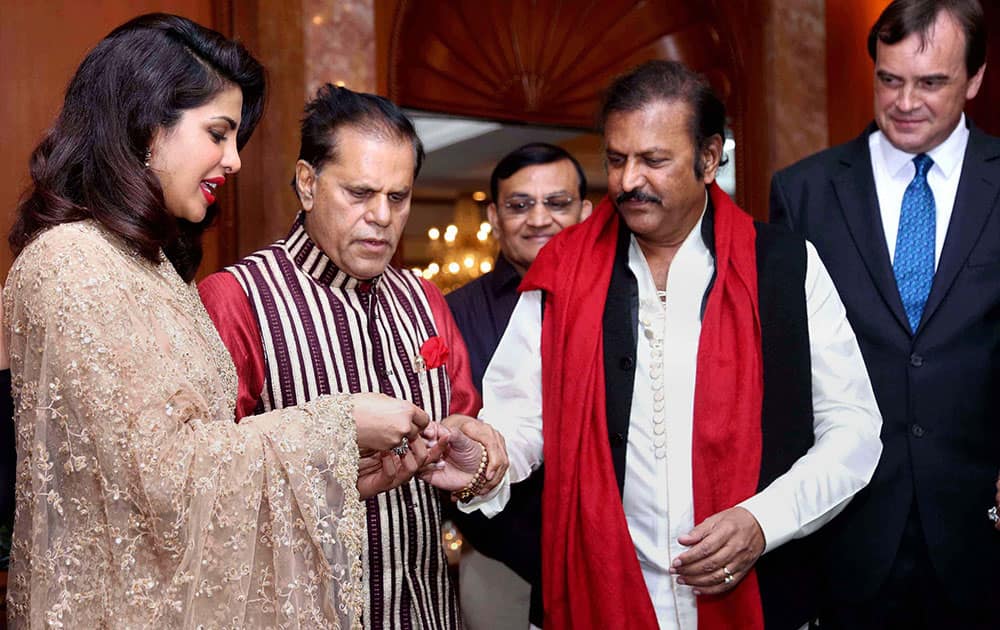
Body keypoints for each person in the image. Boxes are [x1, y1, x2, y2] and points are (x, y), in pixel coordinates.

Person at [3, 14, 449, 628]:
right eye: (218, 133)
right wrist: (334, 427)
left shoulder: (151, 267)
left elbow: (189, 479)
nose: (235, 160)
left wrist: (337, 476)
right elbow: (159, 481)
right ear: (145, 124)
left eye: (397, 198)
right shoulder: (71, 262)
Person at [458, 59, 884, 630]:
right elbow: (520, 416)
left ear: (709, 158)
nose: (628, 180)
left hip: (759, 594)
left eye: (654, 160)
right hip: (598, 591)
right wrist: (487, 457)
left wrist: (764, 520)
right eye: (616, 159)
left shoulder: (784, 266)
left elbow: (853, 429)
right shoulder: (563, 269)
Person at [198, 85, 508, 630]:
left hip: (426, 610)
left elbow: (462, 428)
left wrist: (474, 457)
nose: (383, 217)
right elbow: (203, 482)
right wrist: (334, 439)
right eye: (360, 193)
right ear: (308, 183)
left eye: (399, 197)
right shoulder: (237, 299)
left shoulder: (424, 298)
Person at [769, 1, 999, 627]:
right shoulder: (805, 192)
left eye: (931, 83)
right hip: (848, 525)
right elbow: (787, 372)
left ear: (974, 79)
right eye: (889, 79)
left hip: (984, 528)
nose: (905, 102)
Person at [446, 143, 592, 629]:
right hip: (499, 556)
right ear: (494, 214)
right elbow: (450, 433)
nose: (539, 219)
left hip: (607, 558)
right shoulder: (454, 312)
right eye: (520, 205)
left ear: (585, 211)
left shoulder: (620, 298)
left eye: (557, 203)